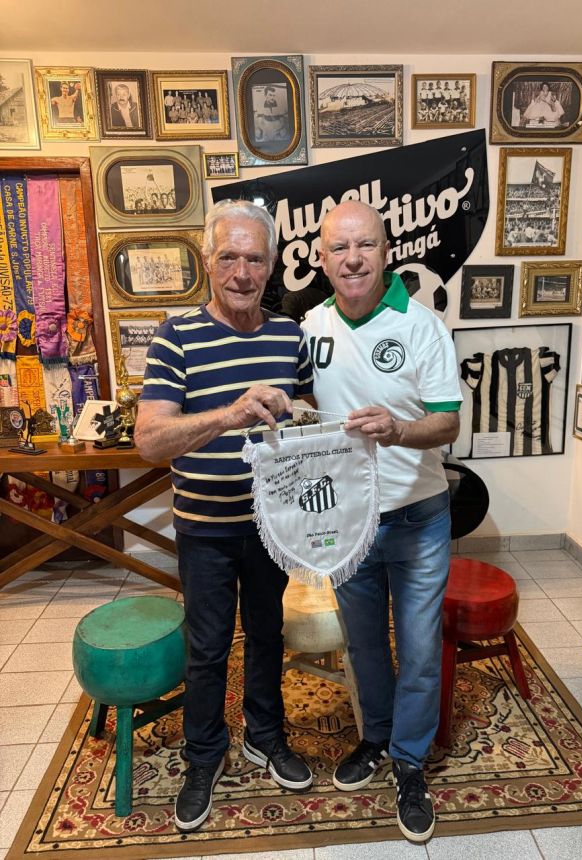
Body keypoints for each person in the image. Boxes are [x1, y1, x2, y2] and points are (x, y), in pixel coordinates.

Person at [134, 199, 314, 833]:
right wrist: (229, 415)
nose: (242, 272)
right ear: (207, 261)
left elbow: (311, 416)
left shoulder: (291, 336)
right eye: (229, 257)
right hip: (205, 529)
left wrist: (306, 421)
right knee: (208, 648)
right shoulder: (175, 337)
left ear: (272, 265)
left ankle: (265, 736)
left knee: (268, 635)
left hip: (271, 527)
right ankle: (204, 755)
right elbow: (149, 440)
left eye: (255, 259)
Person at [301, 200, 462, 843]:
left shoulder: (422, 327)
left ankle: (409, 763)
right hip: (349, 521)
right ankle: (376, 737)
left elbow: (447, 422)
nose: (352, 260)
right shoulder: (311, 326)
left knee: (418, 649)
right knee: (364, 643)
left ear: (387, 250)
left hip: (419, 518)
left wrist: (397, 430)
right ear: (321, 259)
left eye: (364, 245)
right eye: (339, 249)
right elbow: (304, 407)